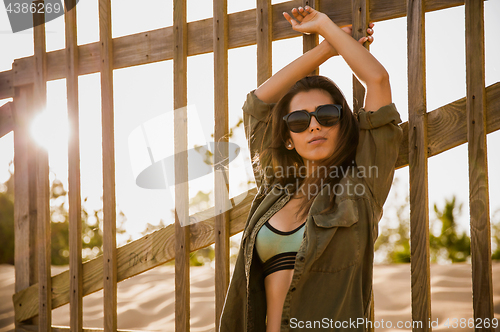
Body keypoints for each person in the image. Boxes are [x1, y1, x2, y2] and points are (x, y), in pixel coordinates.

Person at [219, 6, 403, 332]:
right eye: (300, 121)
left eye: (327, 115)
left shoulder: (360, 186)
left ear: (343, 123)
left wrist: (325, 26)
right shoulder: (275, 187)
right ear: (289, 139)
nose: (314, 126)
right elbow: (258, 104)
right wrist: (326, 49)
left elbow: (377, 80)